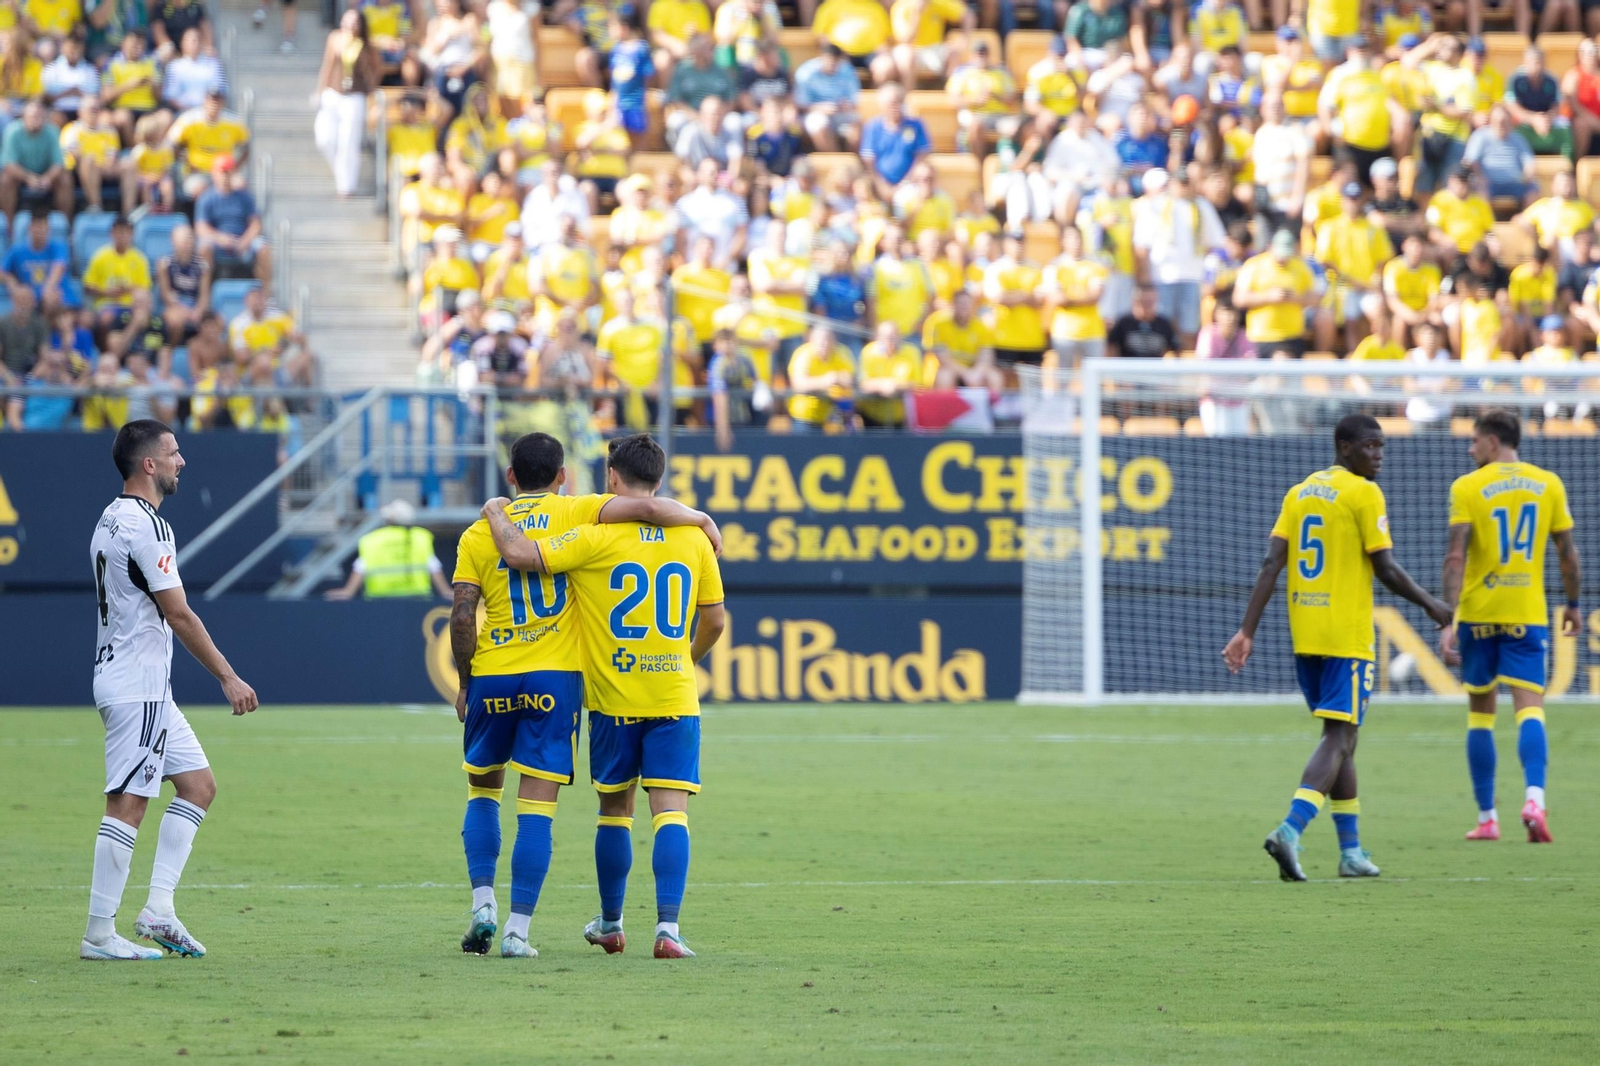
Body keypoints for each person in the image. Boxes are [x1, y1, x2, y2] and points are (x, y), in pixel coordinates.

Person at [480, 432, 726, 960]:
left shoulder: (594, 538)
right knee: (671, 812)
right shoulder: (695, 540)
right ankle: (668, 929)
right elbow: (715, 619)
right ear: (659, 480)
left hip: (612, 697)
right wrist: (686, 656)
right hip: (674, 695)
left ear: (613, 479)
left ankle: (612, 923)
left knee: (615, 810)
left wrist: (496, 511)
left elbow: (520, 553)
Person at [1223, 413, 1453, 882]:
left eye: (1382, 448)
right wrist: (1434, 606)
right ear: (1344, 447)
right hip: (1347, 635)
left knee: (1344, 738)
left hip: (1305, 633)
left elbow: (1272, 563)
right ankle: (1290, 830)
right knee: (1340, 737)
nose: (1378, 457)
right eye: (1370, 447)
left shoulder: (1299, 492)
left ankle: (1351, 852)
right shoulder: (1363, 493)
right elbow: (1386, 569)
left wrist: (1246, 631)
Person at [81, 419, 259, 960]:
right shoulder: (148, 527)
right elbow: (178, 613)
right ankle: (99, 934)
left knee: (199, 786)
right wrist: (228, 676)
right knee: (129, 802)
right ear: (150, 465)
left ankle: (159, 908)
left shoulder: (110, 517)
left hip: (132, 680)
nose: (183, 461)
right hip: (139, 687)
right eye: (174, 453)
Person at [1439, 409, 1581, 844]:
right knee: (1530, 708)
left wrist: (1449, 618)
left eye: (1475, 440)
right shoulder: (1548, 484)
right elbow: (1568, 554)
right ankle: (1534, 799)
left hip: (1479, 615)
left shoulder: (1467, 487)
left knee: (1481, 714)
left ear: (1494, 443)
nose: (1470, 448)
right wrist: (1573, 604)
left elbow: (1456, 557)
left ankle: (1487, 819)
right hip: (1526, 612)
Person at [324, 499, 454, 601]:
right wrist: (446, 592)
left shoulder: (372, 539)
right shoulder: (421, 537)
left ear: (389, 519)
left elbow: (360, 568)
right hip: (418, 601)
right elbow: (434, 567)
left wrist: (347, 592)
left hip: (379, 603)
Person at [315, 7, 381, 198]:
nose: (350, 25)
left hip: (355, 95)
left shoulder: (366, 45)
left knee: (348, 141)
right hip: (333, 92)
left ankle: (346, 185)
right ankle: (340, 172)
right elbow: (328, 65)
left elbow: (377, 69)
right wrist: (321, 89)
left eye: (355, 21)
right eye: (348, 20)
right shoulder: (335, 38)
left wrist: (371, 91)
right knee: (324, 137)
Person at [1233, 229, 1315, 359]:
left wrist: (1296, 298)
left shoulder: (1301, 267)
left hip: (1292, 336)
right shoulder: (1254, 266)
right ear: (1270, 247)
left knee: (1283, 365)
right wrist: (1268, 297)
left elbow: (1315, 298)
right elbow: (1239, 298)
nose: (1283, 259)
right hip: (1260, 337)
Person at [0, 99, 72, 218]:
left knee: (65, 179)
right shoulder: (12, 131)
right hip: (21, 175)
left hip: (46, 175)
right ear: (24, 117)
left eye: (39, 116)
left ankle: (65, 225)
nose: (36, 119)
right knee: (5, 180)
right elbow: (9, 164)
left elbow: (58, 163)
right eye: (33, 116)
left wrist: (47, 178)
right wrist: (28, 178)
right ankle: (9, 227)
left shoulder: (52, 131)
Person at [1107, 283, 1178, 358]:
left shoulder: (1164, 324)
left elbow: (1174, 349)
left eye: (1150, 302)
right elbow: (1111, 347)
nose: (1147, 307)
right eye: (1144, 302)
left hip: (1155, 368)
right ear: (1135, 301)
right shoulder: (1123, 323)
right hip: (1128, 367)